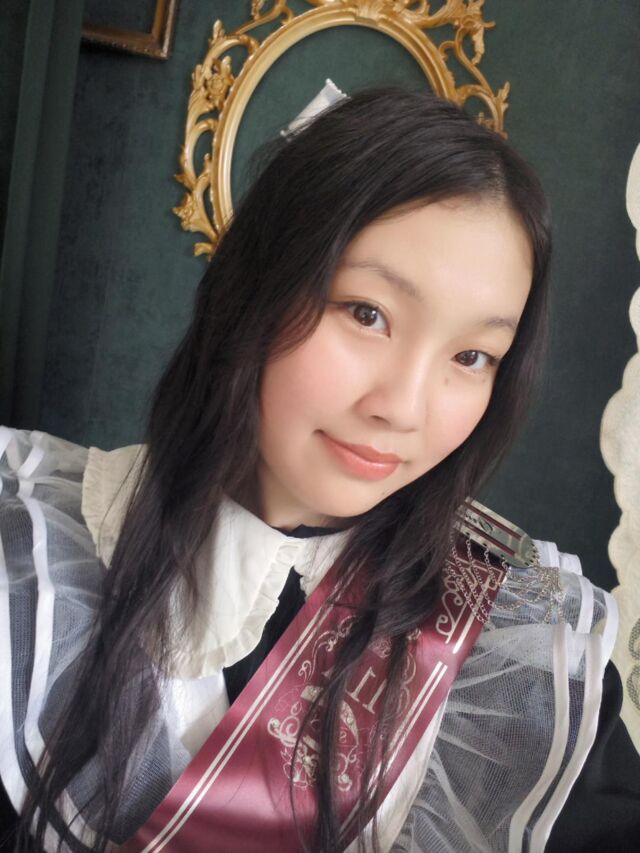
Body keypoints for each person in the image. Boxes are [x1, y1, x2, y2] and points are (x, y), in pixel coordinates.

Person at [0, 87, 637, 853]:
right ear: (255, 290)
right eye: (367, 314)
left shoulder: (521, 668)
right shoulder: (30, 565)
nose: (403, 407)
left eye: (472, 355)